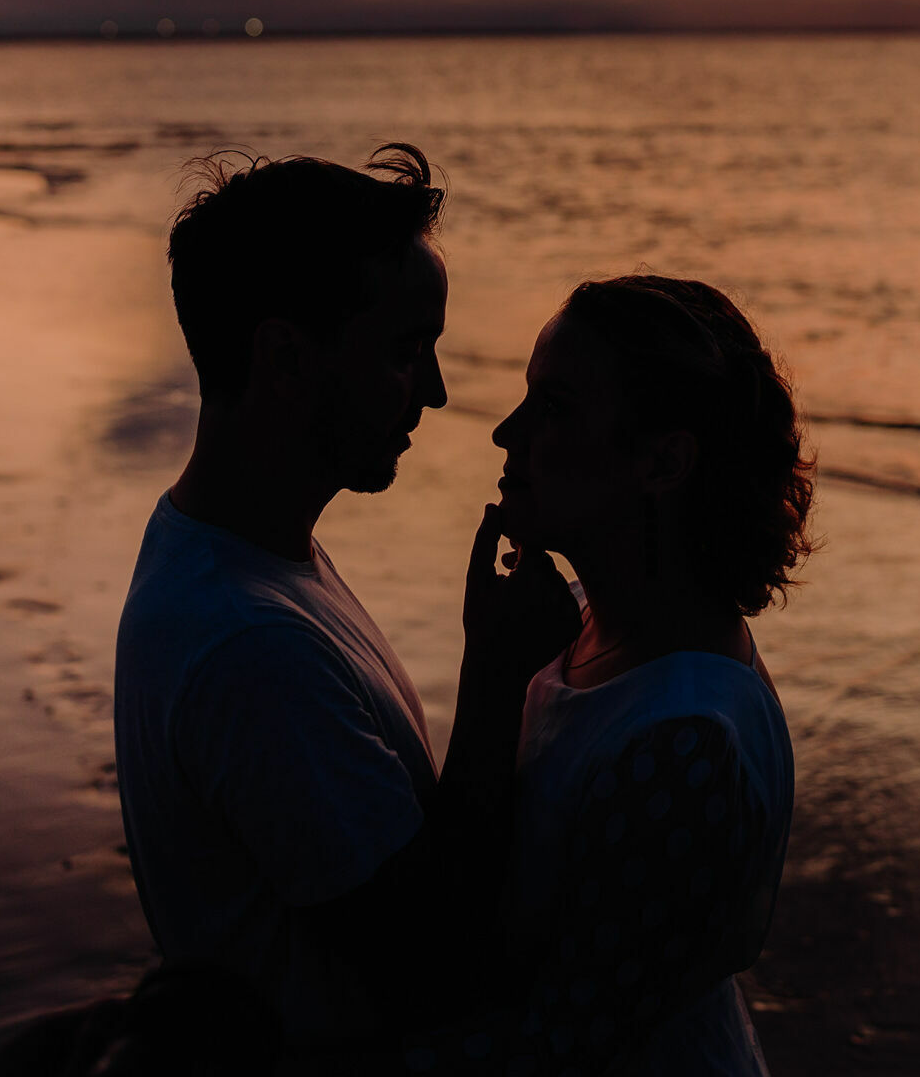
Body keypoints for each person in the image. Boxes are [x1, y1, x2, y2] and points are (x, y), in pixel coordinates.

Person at [111, 145, 578, 1053]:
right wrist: (495, 684)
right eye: (407, 352)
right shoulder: (249, 646)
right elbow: (433, 964)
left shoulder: (246, 561)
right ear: (286, 359)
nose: (437, 392)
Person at [397, 274, 807, 1075]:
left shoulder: (684, 741)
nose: (505, 432)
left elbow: (557, 1049)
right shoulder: (577, 621)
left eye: (552, 408)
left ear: (662, 461)